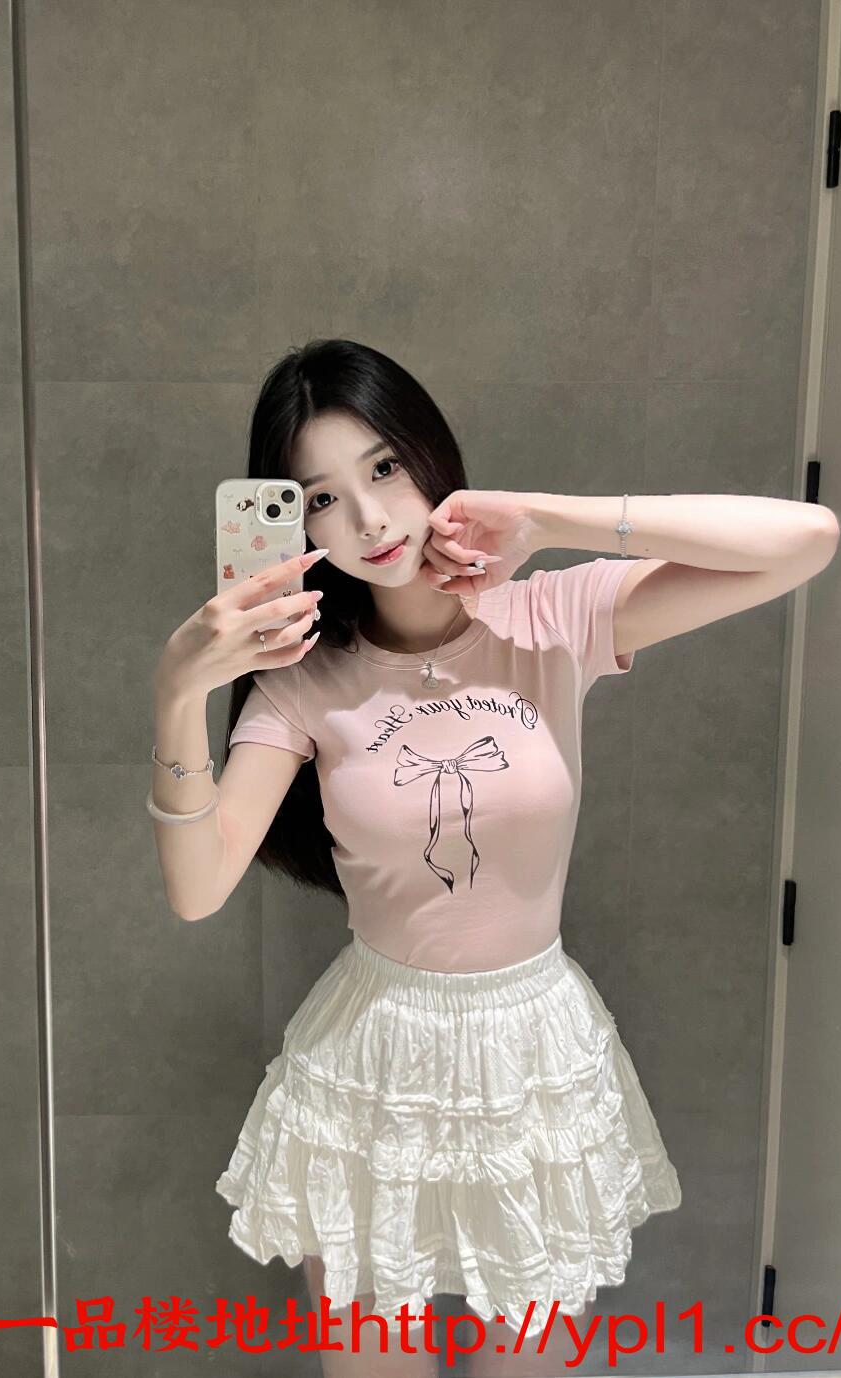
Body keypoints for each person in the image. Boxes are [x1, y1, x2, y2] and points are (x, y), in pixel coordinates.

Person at [149, 338, 682, 1376]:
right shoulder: (303, 682)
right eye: (321, 497)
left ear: (432, 454)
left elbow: (800, 542)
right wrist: (177, 688)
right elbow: (198, 888)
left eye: (385, 467)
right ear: (295, 524)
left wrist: (545, 521)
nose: (370, 519)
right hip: (373, 1062)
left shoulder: (548, 618)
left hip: (534, 1055)